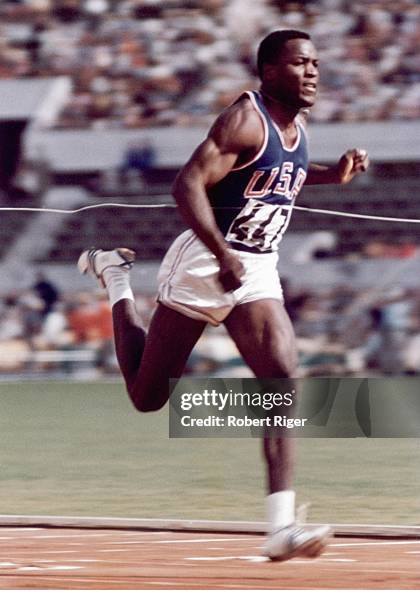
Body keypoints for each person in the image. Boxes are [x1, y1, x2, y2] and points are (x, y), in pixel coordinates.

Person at [78, 29, 369, 561]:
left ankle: (281, 527)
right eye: (301, 63)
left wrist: (334, 175)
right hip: (205, 261)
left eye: (316, 64)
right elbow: (187, 185)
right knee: (148, 397)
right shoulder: (244, 119)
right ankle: (118, 278)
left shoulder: (295, 124)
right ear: (269, 71)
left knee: (283, 379)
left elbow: (282, 175)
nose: (313, 73)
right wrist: (223, 253)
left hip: (256, 269)